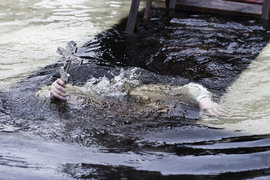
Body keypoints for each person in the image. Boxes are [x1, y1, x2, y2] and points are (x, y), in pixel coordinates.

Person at [50, 75, 227, 117]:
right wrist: (55, 90)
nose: (125, 110)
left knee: (138, 90)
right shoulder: (102, 102)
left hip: (141, 90)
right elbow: (44, 91)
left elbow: (190, 87)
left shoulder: (149, 97)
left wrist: (205, 100)